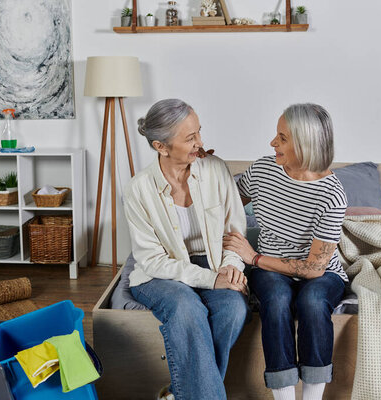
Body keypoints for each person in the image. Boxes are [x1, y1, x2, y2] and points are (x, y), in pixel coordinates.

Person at [124, 99, 250, 400]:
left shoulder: (216, 169)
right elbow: (151, 260)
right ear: (161, 147)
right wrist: (210, 280)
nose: (200, 143)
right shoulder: (138, 189)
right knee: (186, 308)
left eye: (199, 133)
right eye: (190, 138)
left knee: (233, 309)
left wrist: (231, 267)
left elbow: (235, 231)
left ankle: (180, 393)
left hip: (214, 261)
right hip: (160, 272)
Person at [223, 103, 347, 400]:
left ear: (305, 144)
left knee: (314, 301)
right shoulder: (264, 169)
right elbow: (226, 201)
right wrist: (204, 169)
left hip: (320, 271)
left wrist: (253, 257)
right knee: (277, 300)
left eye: (282, 138)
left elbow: (315, 269)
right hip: (270, 271)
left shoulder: (332, 195)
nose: (272, 143)